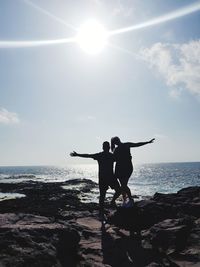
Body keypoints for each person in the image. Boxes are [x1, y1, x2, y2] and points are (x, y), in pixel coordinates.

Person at [70, 141, 121, 218]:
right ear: (108, 147)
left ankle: (104, 209)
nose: (106, 147)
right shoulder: (109, 155)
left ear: (103, 147)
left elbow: (88, 155)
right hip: (109, 177)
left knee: (103, 196)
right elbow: (120, 159)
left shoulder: (103, 155)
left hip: (105, 177)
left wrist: (77, 154)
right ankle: (108, 205)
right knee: (113, 192)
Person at [111, 137, 155, 204]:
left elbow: (137, 144)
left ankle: (130, 199)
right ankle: (125, 199)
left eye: (116, 141)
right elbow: (114, 159)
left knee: (123, 185)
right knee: (123, 185)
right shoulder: (118, 149)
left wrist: (147, 142)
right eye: (115, 141)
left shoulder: (124, 146)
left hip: (126, 168)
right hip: (120, 168)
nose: (116, 142)